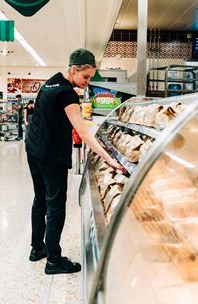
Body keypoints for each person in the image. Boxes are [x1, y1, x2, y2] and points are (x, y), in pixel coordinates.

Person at [25, 48, 123, 275]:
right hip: (51, 156)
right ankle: (54, 261)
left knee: (40, 199)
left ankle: (37, 248)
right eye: (85, 76)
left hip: (34, 150)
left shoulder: (50, 82)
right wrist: (108, 158)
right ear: (73, 69)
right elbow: (84, 132)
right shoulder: (67, 94)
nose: (87, 82)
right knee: (55, 205)